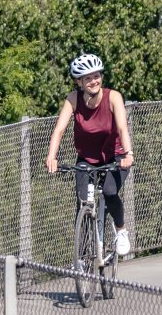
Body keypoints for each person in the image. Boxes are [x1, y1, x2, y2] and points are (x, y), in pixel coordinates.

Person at [44, 52, 135, 258]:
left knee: (110, 192)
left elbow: (122, 128)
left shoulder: (113, 97)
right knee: (84, 202)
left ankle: (121, 231)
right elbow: (59, 130)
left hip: (116, 156)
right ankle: (82, 258)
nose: (94, 81)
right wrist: (52, 156)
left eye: (96, 76)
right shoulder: (73, 99)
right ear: (79, 82)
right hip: (87, 158)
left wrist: (128, 154)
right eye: (88, 78)